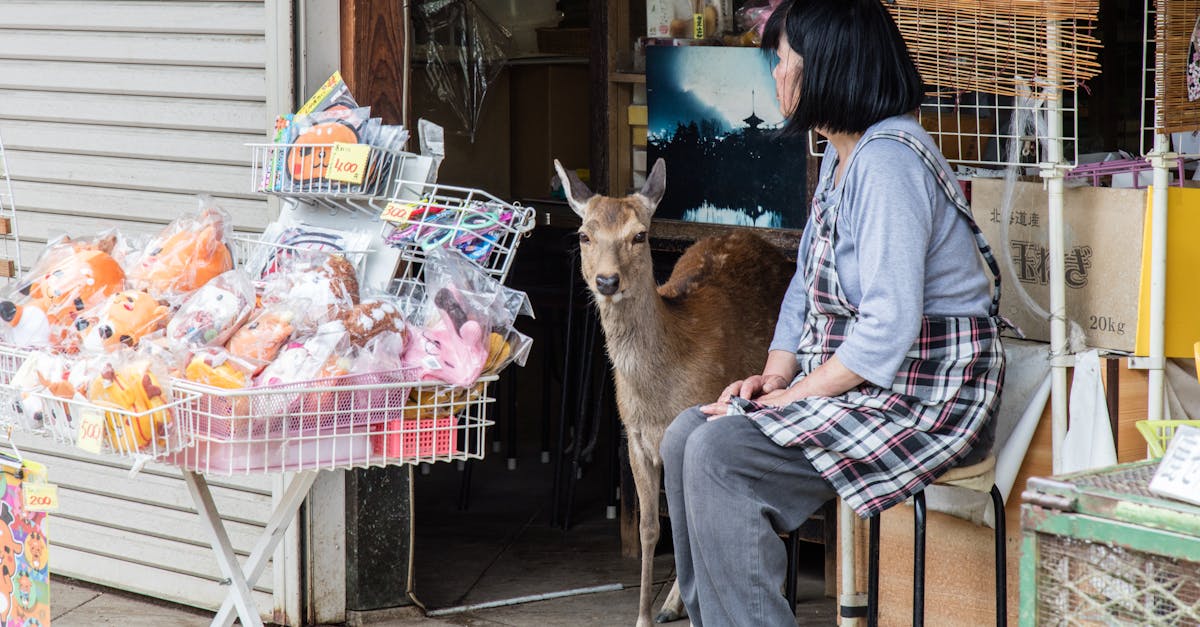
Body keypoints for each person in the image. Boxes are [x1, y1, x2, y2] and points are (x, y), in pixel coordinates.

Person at [659, 0, 1008, 624]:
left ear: (828, 70)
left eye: (785, 62)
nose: (776, 76)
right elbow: (806, 284)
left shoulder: (889, 162)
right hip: (867, 386)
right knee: (687, 434)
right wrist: (776, 374)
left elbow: (888, 330)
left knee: (719, 453)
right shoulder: (841, 156)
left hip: (927, 395)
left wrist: (797, 398)